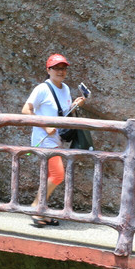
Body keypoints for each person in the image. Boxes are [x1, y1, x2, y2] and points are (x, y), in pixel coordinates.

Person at [21, 53, 86, 226]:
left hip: (57, 140)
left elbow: (62, 113)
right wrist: (45, 126)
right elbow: (26, 111)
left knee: (51, 176)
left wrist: (75, 105)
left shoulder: (64, 88)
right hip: (44, 140)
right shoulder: (42, 88)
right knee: (57, 175)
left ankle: (40, 210)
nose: (60, 71)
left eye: (63, 68)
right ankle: (35, 208)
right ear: (48, 69)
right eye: (56, 68)